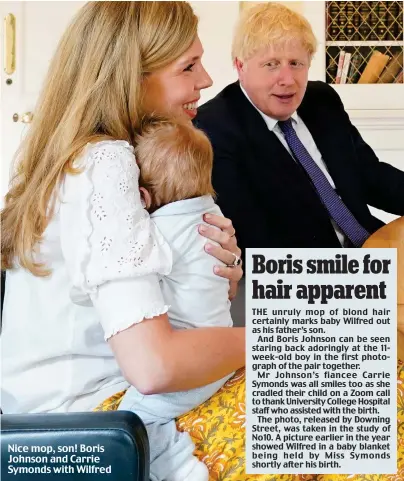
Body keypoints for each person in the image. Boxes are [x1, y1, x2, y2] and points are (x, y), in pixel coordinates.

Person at [0, 3, 248, 481]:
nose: (207, 79)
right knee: (359, 408)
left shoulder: (66, 156)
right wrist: (290, 343)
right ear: (131, 76)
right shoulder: (106, 163)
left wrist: (206, 275)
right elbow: (154, 366)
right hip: (98, 426)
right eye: (188, 66)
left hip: (71, 413)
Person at [195, 2, 404, 255]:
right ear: (241, 66)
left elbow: (370, 175)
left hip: (371, 245)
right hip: (306, 274)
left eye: (296, 63)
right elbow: (254, 240)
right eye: (271, 64)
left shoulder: (321, 99)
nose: (287, 80)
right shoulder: (213, 129)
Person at [118, 117, 235, 481]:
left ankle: (181, 467)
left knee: (133, 420)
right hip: (219, 350)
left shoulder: (156, 234)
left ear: (142, 197)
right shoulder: (214, 218)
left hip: (188, 364)